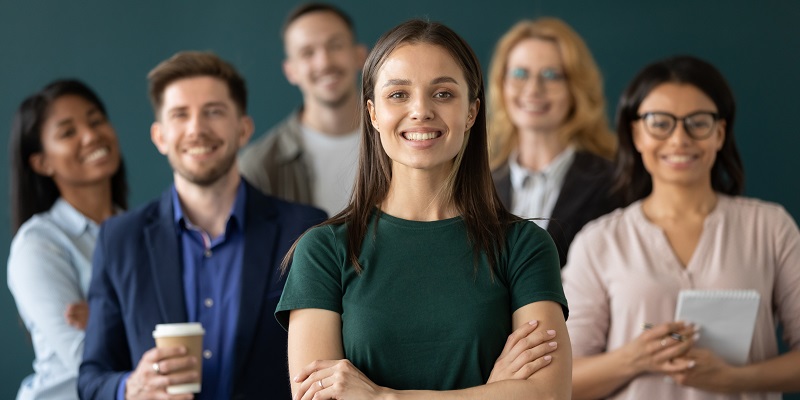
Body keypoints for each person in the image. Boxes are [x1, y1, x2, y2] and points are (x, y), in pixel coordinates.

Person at [276, 19, 572, 399]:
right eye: (398, 94)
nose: (421, 111)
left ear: (471, 112)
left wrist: (384, 397)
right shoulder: (323, 251)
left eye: (444, 94)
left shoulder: (525, 246)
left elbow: (548, 395)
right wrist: (493, 391)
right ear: (372, 113)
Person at [77, 51, 327, 400]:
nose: (196, 129)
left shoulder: (306, 229)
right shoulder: (120, 240)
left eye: (213, 111)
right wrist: (129, 388)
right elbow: (91, 379)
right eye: (180, 115)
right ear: (160, 136)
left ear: (243, 129)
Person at [563, 55, 800, 399]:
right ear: (636, 134)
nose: (679, 139)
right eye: (660, 123)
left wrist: (734, 379)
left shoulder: (770, 227)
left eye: (697, 123)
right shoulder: (600, 241)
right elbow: (561, 377)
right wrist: (635, 358)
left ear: (719, 133)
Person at [7, 79, 128, 399]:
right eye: (67, 132)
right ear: (41, 162)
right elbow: (88, 360)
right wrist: (128, 314)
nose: (91, 136)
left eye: (96, 120)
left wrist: (104, 317)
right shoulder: (38, 245)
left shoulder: (139, 230)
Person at [487, 18, 623, 267]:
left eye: (551, 75)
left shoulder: (616, 185)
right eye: (519, 74)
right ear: (501, 84)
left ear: (575, 88)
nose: (533, 89)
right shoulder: (479, 185)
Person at [239, 2, 367, 216]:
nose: (324, 62)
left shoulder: (404, 141)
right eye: (307, 53)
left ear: (360, 55)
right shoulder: (258, 168)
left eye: (335, 45)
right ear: (291, 71)